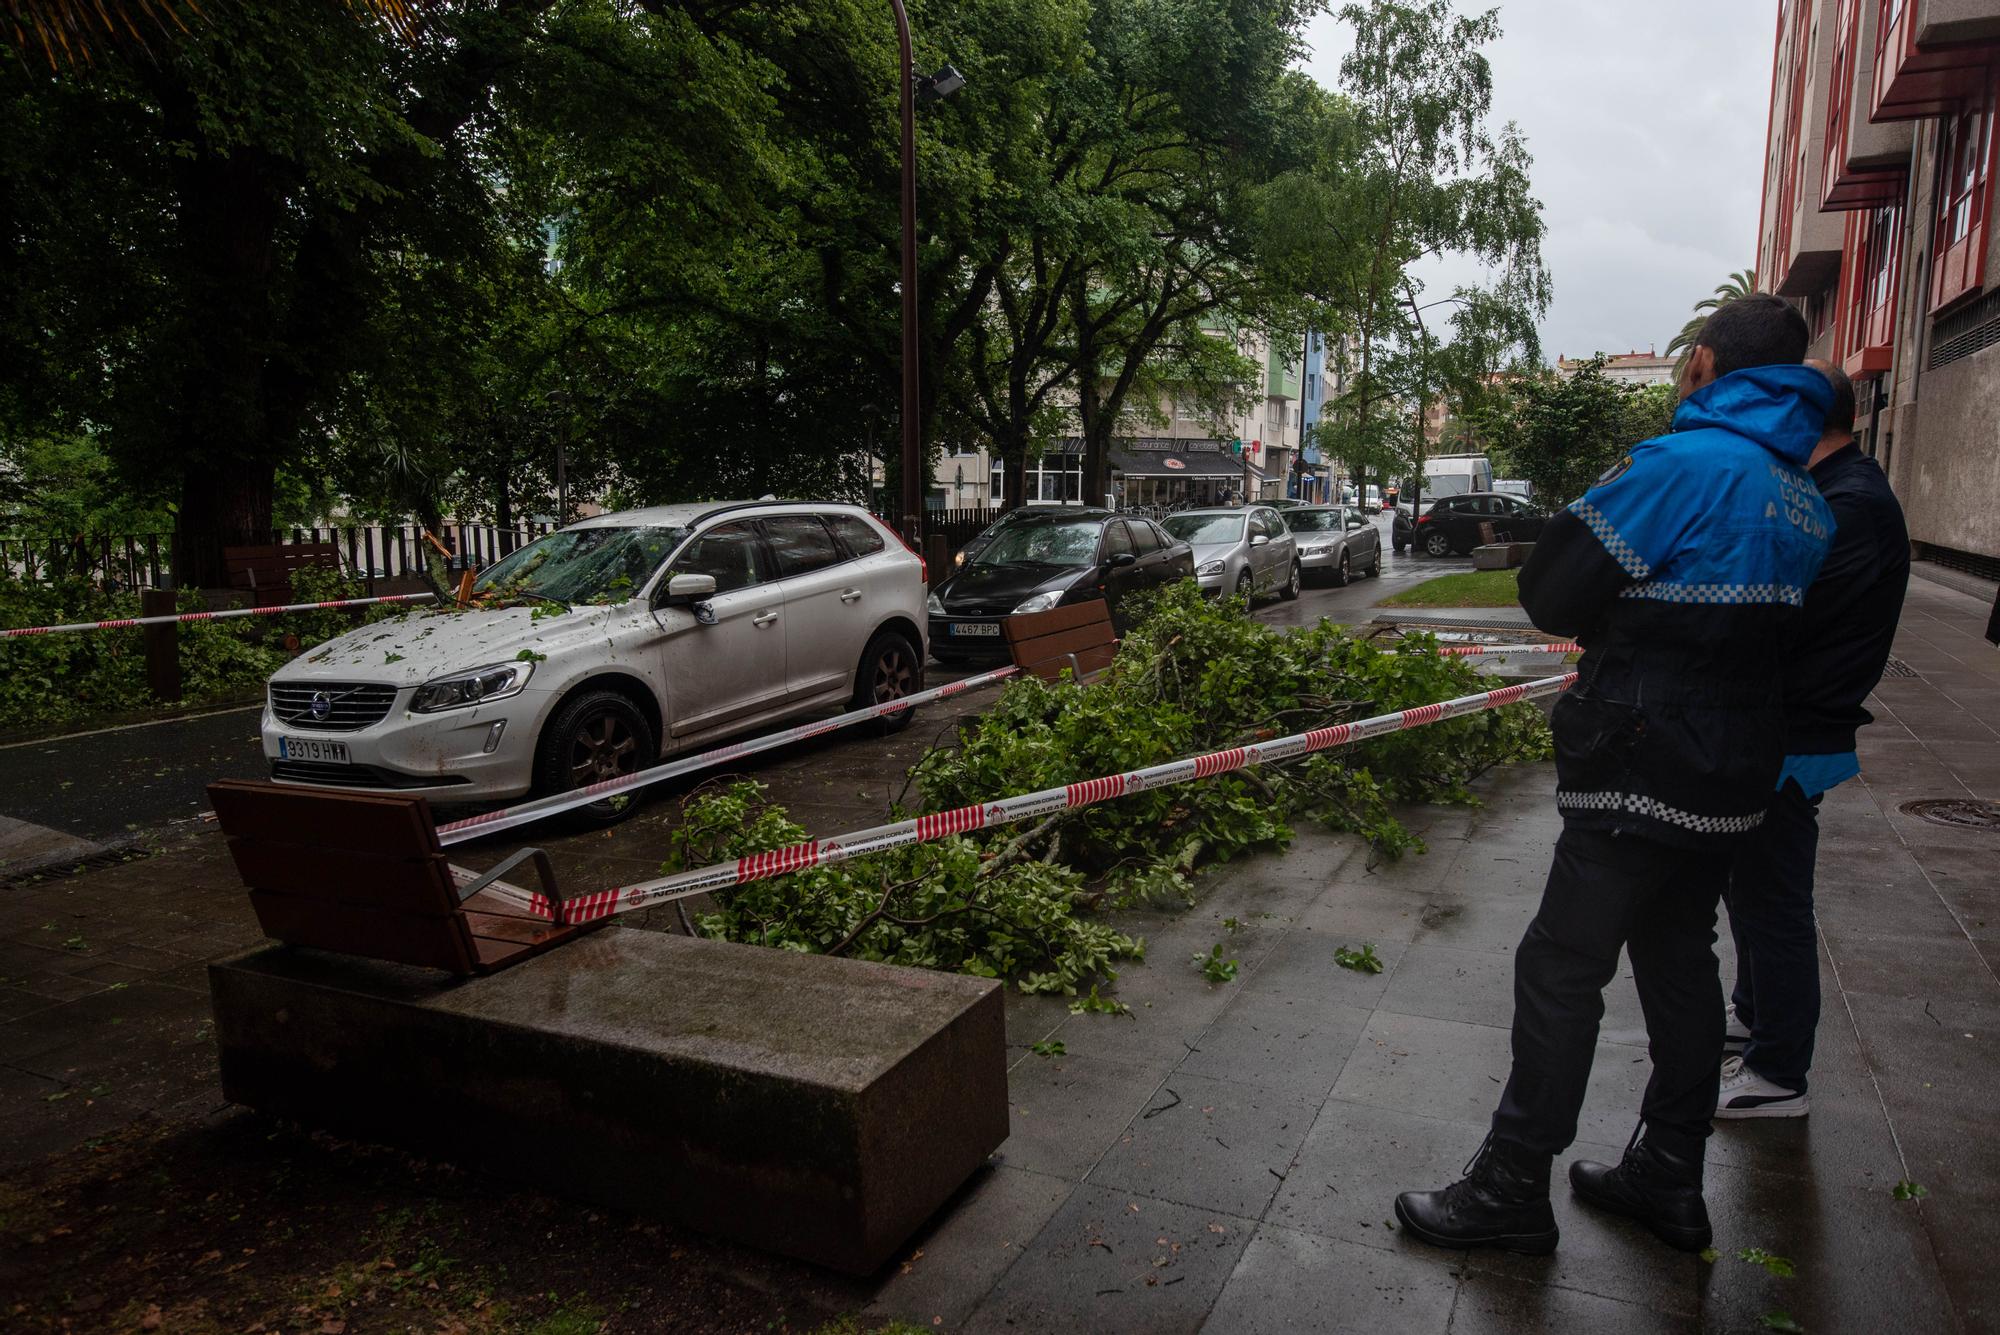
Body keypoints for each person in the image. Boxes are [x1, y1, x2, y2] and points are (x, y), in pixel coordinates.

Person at [1393, 294, 1835, 1257]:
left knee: (1561, 966)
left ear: (1707, 365)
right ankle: (1668, 1174)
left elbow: (1553, 590)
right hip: (1733, 775)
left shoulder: (1681, 467)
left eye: (1690, 363)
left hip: (1641, 760)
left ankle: (1513, 1183)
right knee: (1681, 963)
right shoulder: (1801, 492)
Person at [1717, 360, 1908, 1118]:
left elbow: (1787, 611)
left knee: (1774, 898)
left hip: (1793, 730)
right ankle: (1755, 1015)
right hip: (1781, 722)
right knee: (1751, 886)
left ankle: (1777, 1074)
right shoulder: (1833, 490)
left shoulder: (1850, 502)